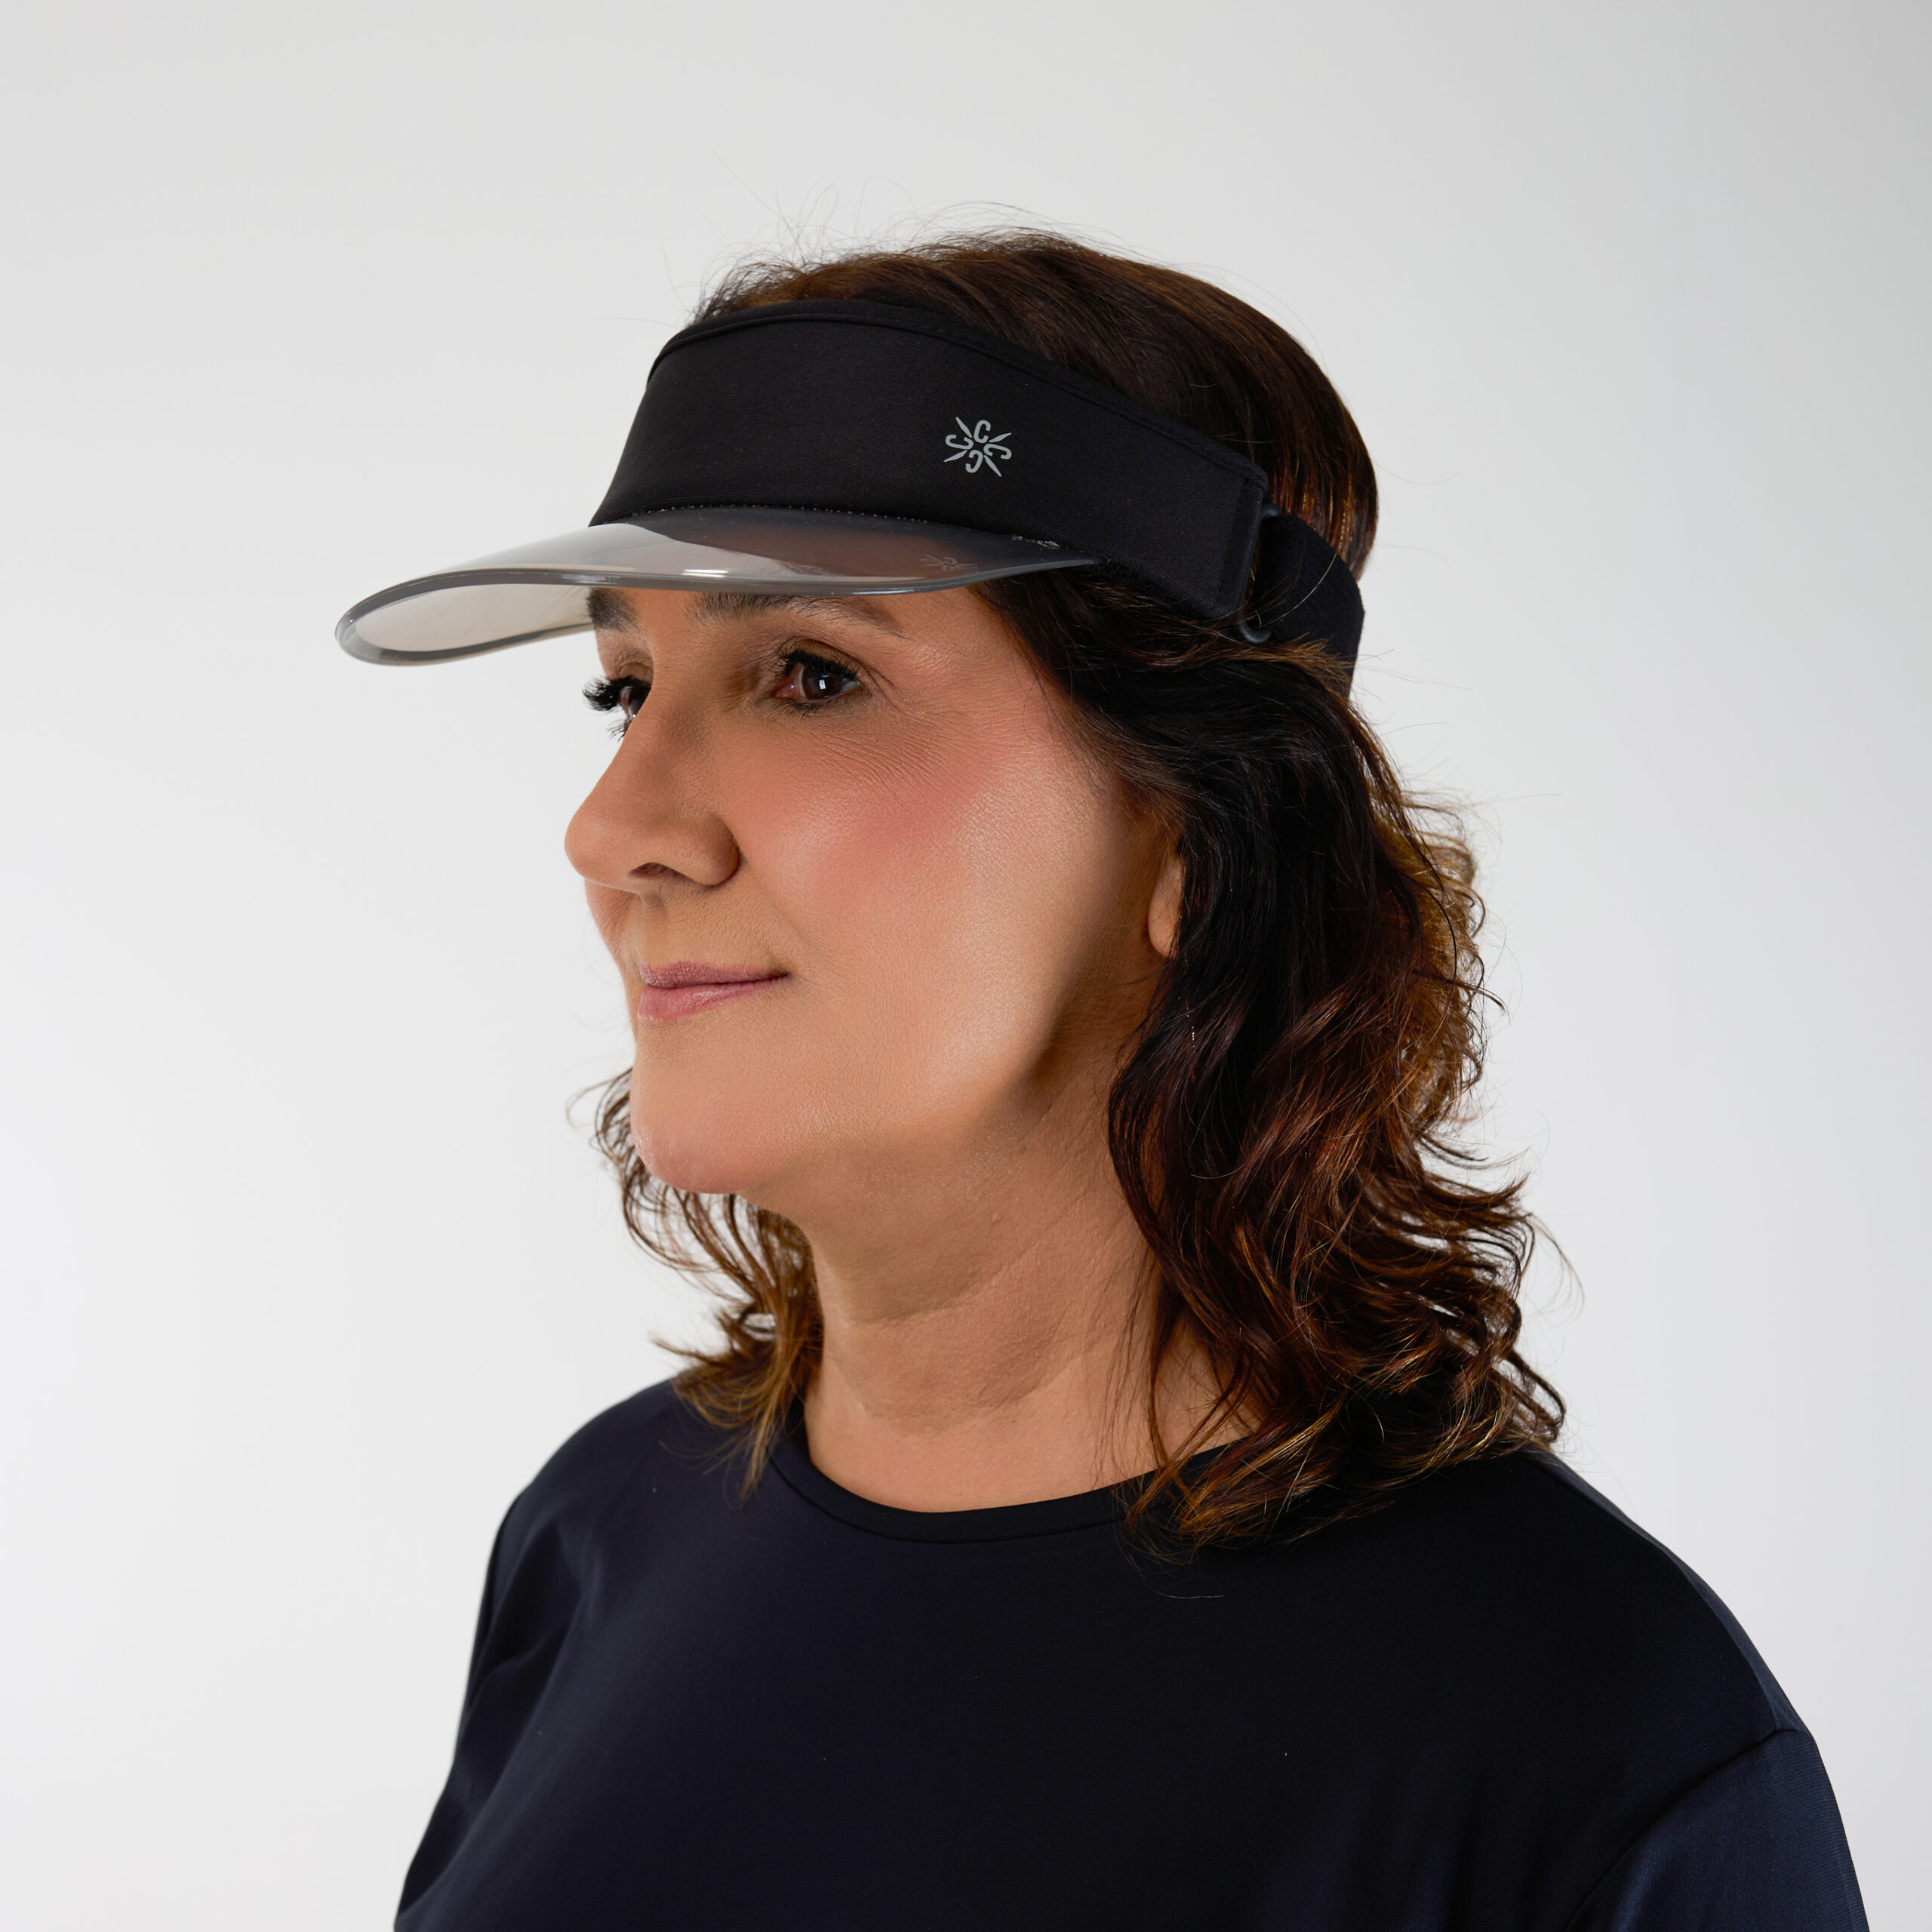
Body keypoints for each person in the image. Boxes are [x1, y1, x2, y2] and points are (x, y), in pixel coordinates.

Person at [340, 230, 1867, 1930]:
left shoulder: (1590, 1742)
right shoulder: (599, 1539)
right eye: (620, 687)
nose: (611, 825)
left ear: (1199, 836)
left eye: (814, 674)